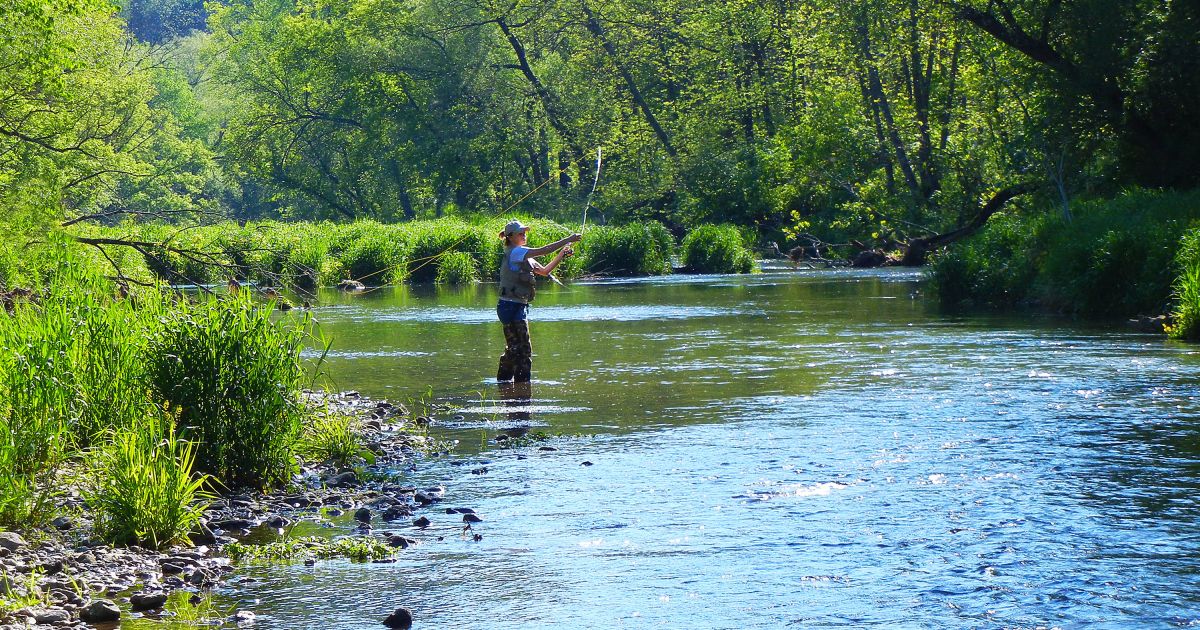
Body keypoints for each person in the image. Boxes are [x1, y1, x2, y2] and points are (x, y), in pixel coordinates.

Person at [496, 220, 581, 382]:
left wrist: (562, 254)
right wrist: (568, 239)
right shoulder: (515, 252)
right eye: (520, 233)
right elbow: (544, 250)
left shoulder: (523, 255)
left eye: (524, 232)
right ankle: (512, 383)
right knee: (519, 349)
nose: (524, 235)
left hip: (518, 306)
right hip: (508, 306)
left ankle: (514, 385)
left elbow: (544, 271)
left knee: (519, 349)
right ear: (511, 236)